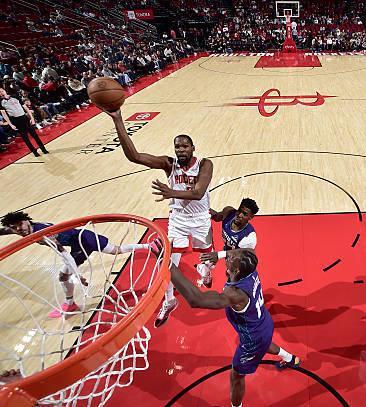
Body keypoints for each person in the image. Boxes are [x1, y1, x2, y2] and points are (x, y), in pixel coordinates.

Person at [106, 108, 214, 328]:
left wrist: (170, 192)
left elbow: (198, 193)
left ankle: (205, 270)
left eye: (185, 146)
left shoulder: (205, 164)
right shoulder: (168, 164)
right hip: (178, 220)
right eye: (177, 146)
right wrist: (118, 120)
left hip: (201, 218)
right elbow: (135, 157)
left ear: (193, 148)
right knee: (168, 265)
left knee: (207, 256)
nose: (181, 150)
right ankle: (170, 300)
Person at [170, 249, 300, 407]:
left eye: (231, 258)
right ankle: (291, 358)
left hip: (254, 337)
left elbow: (196, 300)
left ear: (236, 270)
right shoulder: (249, 267)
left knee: (236, 375)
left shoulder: (235, 294)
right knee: (264, 344)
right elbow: (245, 251)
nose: (229, 256)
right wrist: (219, 255)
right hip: (264, 323)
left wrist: (168, 265)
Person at [0, 211, 159, 318]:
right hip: (77, 243)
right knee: (64, 276)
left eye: (20, 225)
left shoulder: (44, 234)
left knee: (115, 250)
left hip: (84, 240)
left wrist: (77, 275)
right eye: (14, 228)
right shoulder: (24, 229)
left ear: (26, 221)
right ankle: (70, 304)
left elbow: (64, 254)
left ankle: (149, 246)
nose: (18, 230)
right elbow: (4, 230)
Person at [198, 198, 259, 288]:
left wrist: (219, 255)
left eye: (244, 214)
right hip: (228, 250)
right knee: (207, 261)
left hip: (239, 258)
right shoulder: (229, 212)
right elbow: (216, 217)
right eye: (239, 210)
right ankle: (207, 273)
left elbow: (240, 255)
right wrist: (200, 207)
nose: (239, 215)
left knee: (233, 275)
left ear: (251, 217)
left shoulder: (248, 237)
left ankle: (233, 289)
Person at [0, 87, 48, 156]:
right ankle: (34, 151)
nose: (1, 93)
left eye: (2, 91)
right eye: (0, 92)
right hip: (16, 121)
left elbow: (25, 107)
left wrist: (32, 118)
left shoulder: (14, 96)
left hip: (24, 118)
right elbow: (4, 114)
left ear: (5, 90)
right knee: (26, 138)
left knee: (34, 135)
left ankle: (43, 148)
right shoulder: (1, 102)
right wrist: (11, 124)